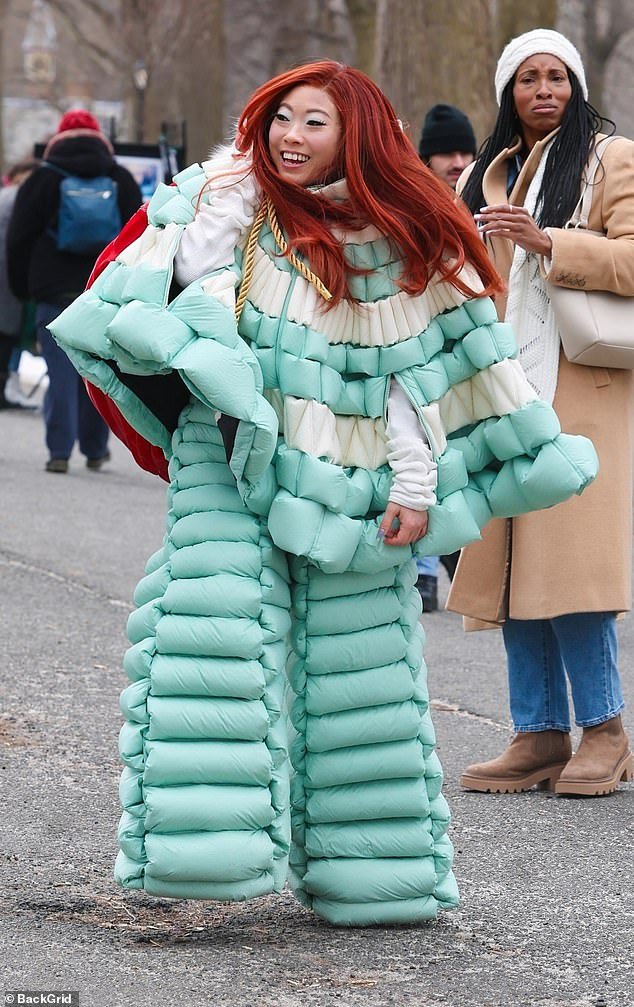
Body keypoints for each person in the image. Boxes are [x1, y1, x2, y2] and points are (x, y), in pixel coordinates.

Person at [50, 61, 597, 925]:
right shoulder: (228, 199)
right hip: (222, 451)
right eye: (279, 118)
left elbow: (409, 384)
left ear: (358, 136)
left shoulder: (393, 237)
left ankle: (374, 877)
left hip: (352, 476)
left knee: (361, 677)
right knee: (212, 641)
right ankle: (203, 863)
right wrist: (223, 199)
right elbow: (160, 294)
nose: (289, 137)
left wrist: (416, 489)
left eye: (313, 122)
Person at [448, 28, 634, 797]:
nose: (544, 89)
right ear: (507, 92)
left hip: (578, 391)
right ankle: (537, 733)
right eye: (527, 78)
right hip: (501, 389)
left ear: (576, 85)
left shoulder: (610, 158)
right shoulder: (490, 175)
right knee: (513, 560)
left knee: (569, 570)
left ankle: (606, 730)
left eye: (557, 76)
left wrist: (551, 242)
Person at [7, 110, 142, 472]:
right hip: (103, 287)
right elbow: (140, 237)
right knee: (97, 370)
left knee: (60, 370)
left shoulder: (42, 179)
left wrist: (24, 290)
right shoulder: (119, 177)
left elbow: (19, 238)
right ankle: (96, 449)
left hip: (53, 289)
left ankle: (59, 452)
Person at [416, 104, 478, 609]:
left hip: (467, 346)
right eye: (446, 153)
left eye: (465, 151)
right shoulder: (414, 201)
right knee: (419, 450)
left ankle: (455, 562)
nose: (457, 162)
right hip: (419, 343)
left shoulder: (485, 198)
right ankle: (424, 573)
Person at [0, 160, 39, 410]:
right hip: (9, 275)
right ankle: (4, 389)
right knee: (7, 334)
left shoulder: (5, 195)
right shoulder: (18, 197)